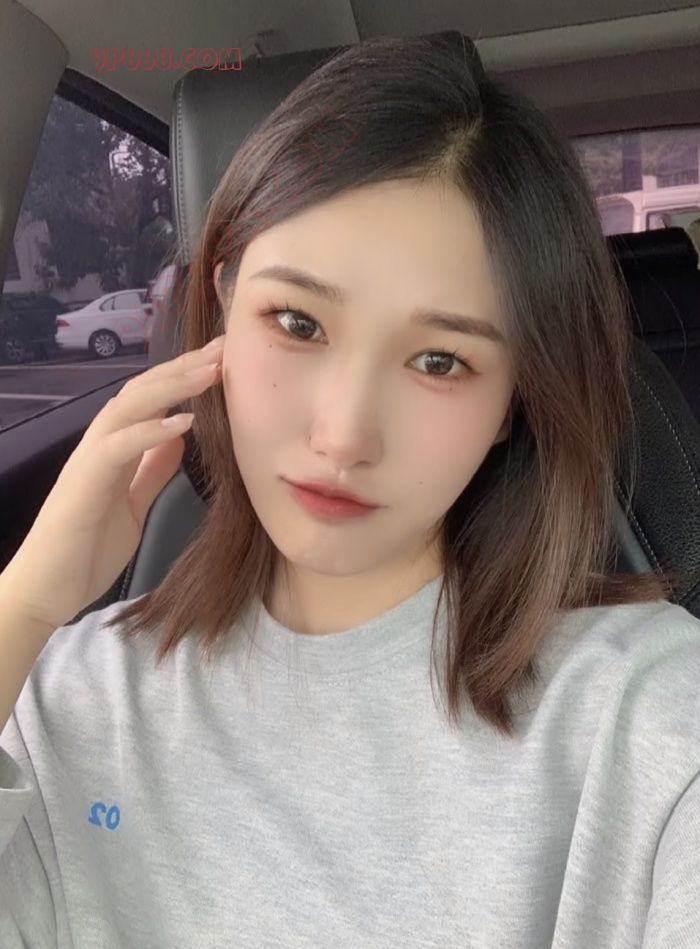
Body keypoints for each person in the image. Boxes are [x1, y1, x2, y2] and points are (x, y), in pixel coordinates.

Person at [0, 33, 698, 948]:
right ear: (222, 308)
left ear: (509, 403)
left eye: (439, 360)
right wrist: (21, 606)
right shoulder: (70, 693)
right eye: (297, 322)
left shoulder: (641, 711)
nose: (342, 435)